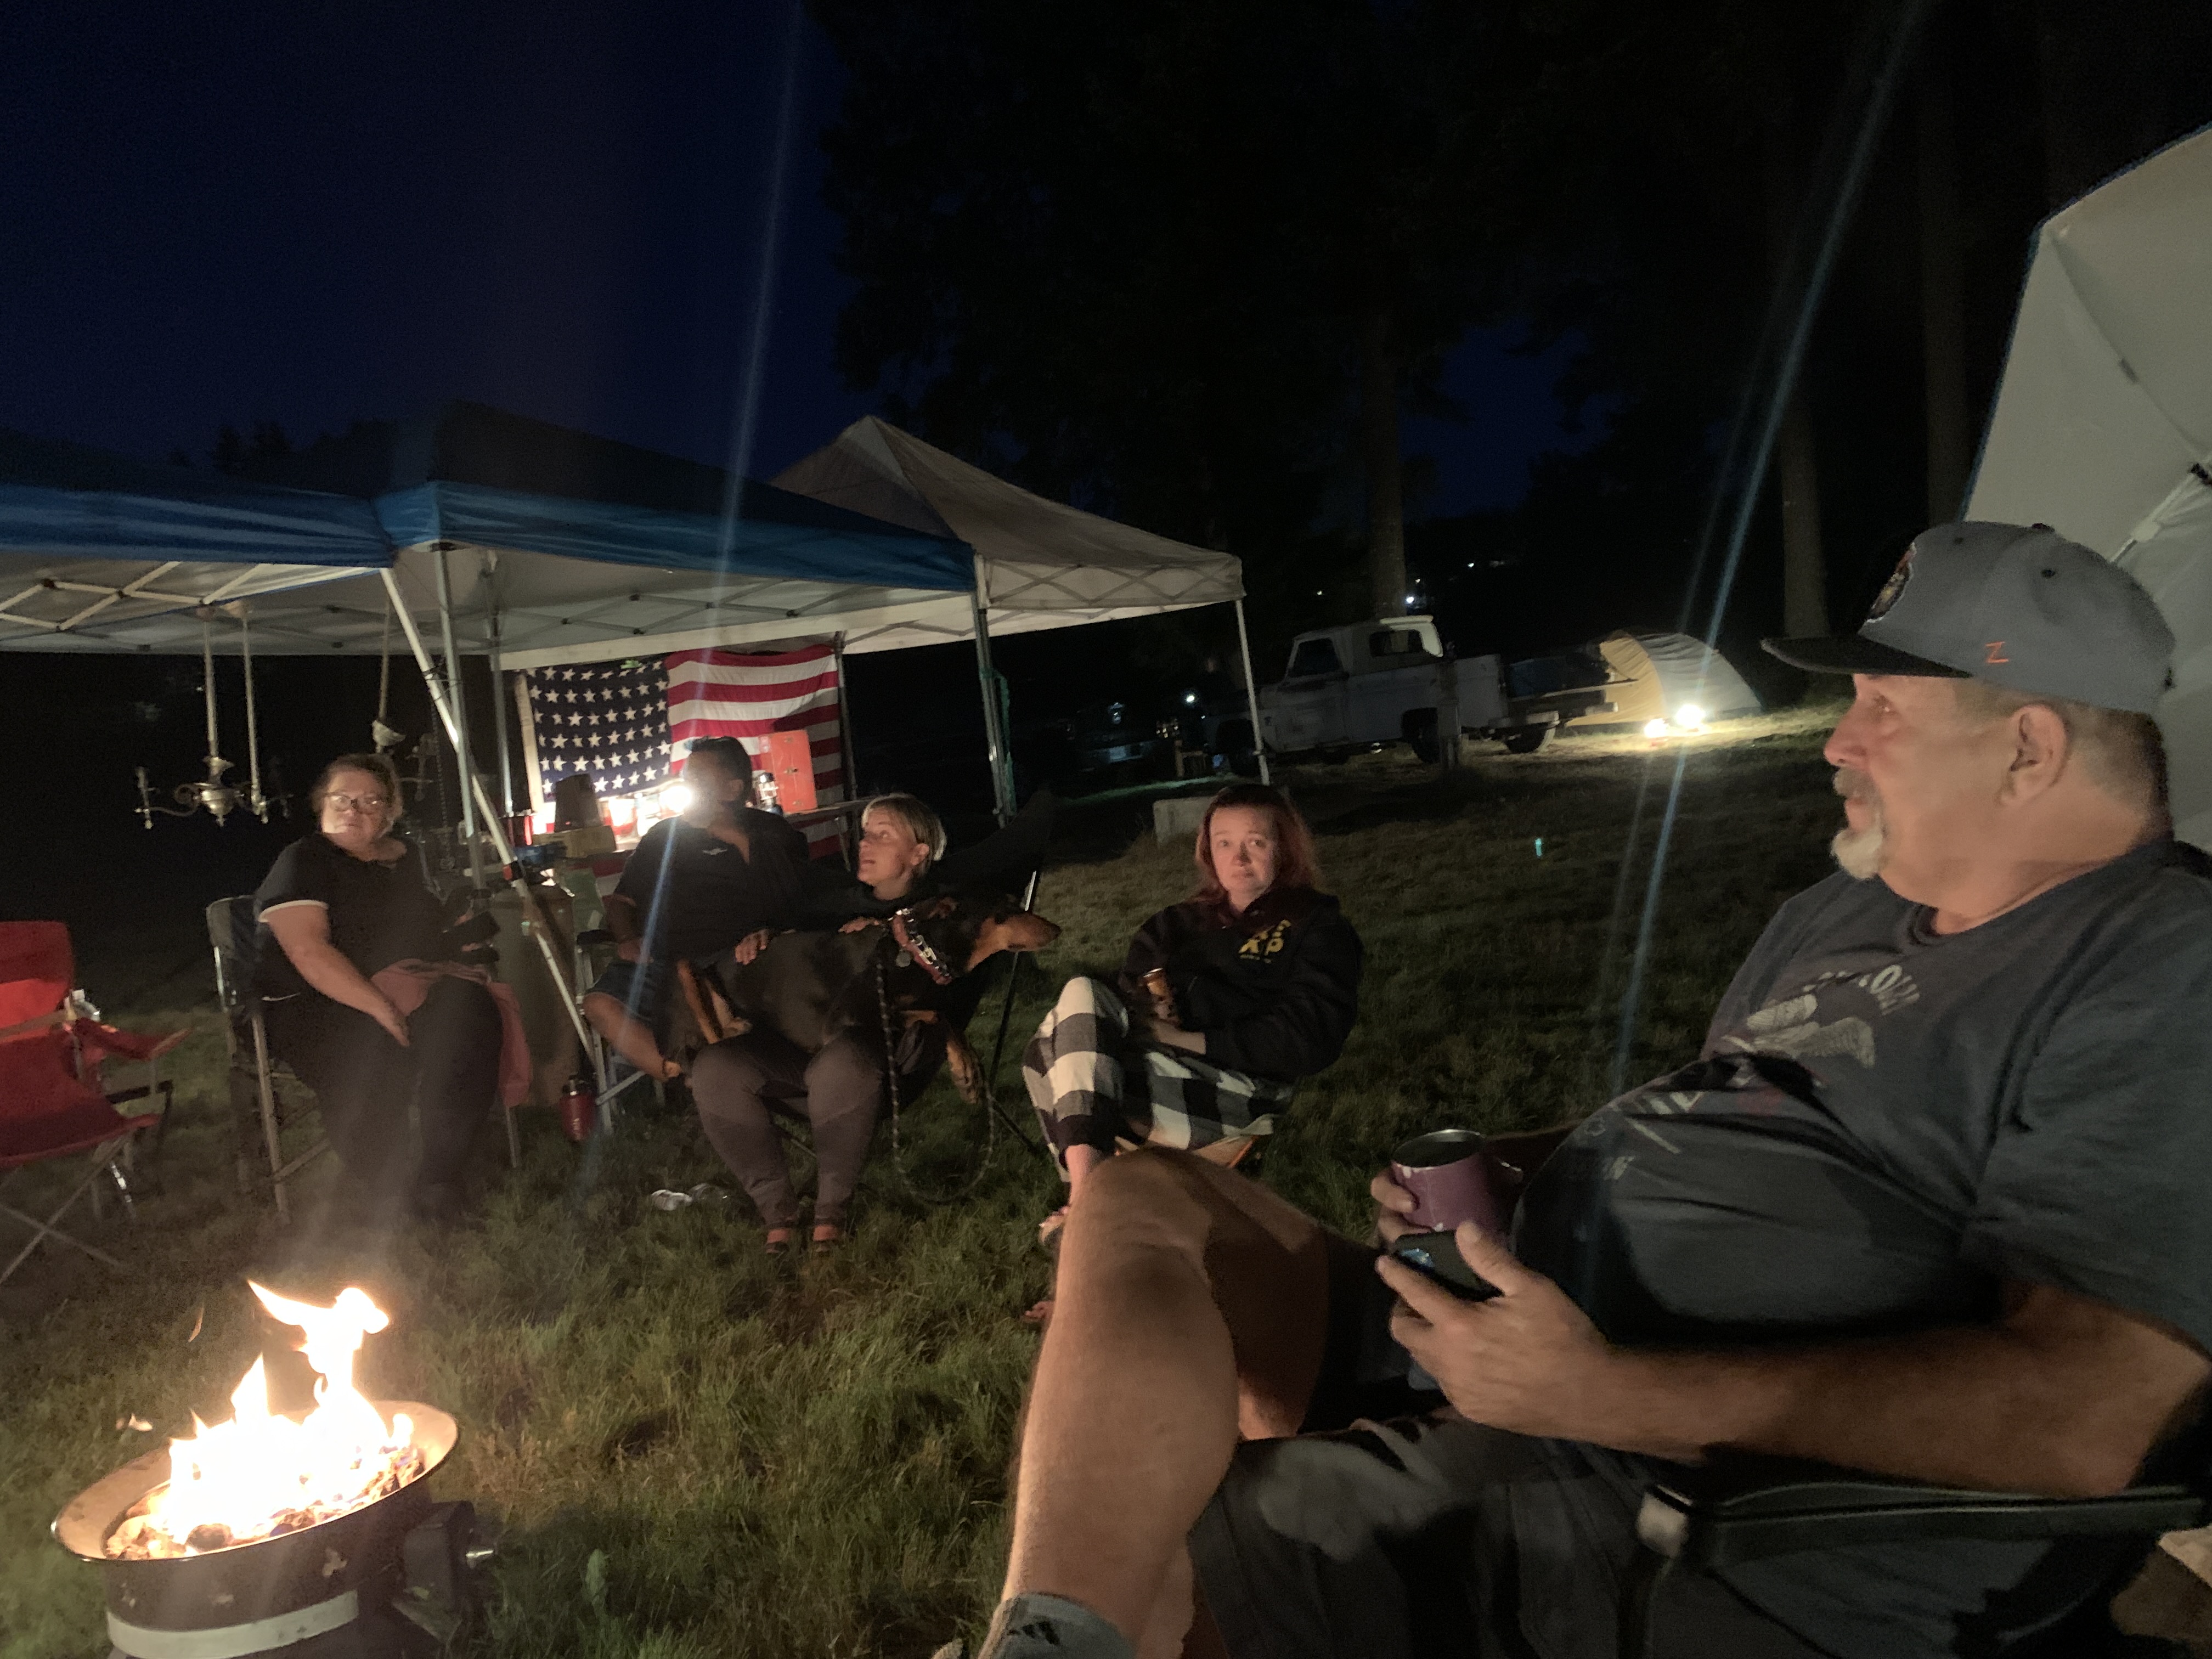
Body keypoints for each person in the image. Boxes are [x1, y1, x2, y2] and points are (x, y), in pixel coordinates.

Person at [953, 523, 2212, 1659]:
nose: (1839, 740)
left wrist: (1598, 1392)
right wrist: (1532, 1158)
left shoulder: (2159, 966)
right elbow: (1732, 1100)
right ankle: (1055, 1638)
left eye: (1883, 705)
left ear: (2028, 750)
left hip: (1665, 1480)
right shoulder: (1852, 907)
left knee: (1167, 1554)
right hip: (1529, 1331)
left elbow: (2087, 1413)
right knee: (1141, 1202)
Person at [1022, 783, 1362, 1210]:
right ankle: (1091, 1192)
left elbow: (1307, 1039)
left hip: (1239, 1090)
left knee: (1058, 1054)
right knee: (1075, 1006)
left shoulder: (1317, 928)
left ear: (1286, 849)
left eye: (1256, 843)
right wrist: (1145, 1009)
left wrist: (1189, 1040)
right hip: (1160, 1071)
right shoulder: (1175, 924)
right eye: (1225, 844)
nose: (1238, 859)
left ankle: (1088, 1198)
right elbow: (1126, 992)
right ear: (1208, 851)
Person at [688, 791, 955, 1254]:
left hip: (878, 1058)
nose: (865, 844)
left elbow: (935, 986)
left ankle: (831, 1212)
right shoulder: (831, 905)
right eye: (865, 834)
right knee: (715, 1069)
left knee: (841, 1063)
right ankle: (776, 1210)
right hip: (796, 1043)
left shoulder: (939, 915)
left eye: (883, 835)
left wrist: (884, 932)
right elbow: (793, 949)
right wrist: (767, 938)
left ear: (919, 854)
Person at [255, 753, 506, 1228]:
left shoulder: (405, 859)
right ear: (321, 804)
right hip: (319, 1002)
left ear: (390, 811)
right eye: (342, 799)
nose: (354, 810)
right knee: (370, 1052)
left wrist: (457, 941)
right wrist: (380, 1006)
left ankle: (439, 1174)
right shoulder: (304, 861)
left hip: (409, 987)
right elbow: (308, 951)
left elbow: (422, 931)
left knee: (470, 1020)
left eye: (370, 801)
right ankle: (388, 1184)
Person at [581, 736, 811, 1080]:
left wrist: (734, 837)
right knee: (599, 1004)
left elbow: (791, 898)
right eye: (687, 777)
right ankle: (686, 1074)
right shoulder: (663, 836)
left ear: (733, 789)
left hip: (736, 959)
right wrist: (627, 938)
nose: (688, 785)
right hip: (664, 960)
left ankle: (718, 1070)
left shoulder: (769, 831)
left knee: (724, 996)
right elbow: (622, 902)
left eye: (698, 778)